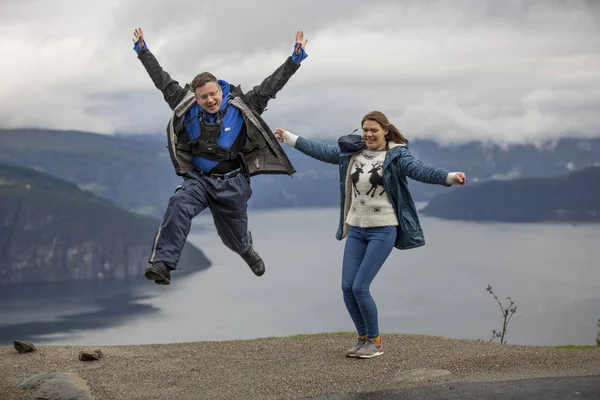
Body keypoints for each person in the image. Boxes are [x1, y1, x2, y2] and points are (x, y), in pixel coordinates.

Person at [273, 111, 466, 358]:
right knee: (347, 287)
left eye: (374, 129)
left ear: (386, 130)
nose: (368, 134)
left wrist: (449, 178)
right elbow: (323, 151)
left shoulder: (397, 156)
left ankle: (375, 342)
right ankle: (363, 338)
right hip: (357, 229)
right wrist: (289, 138)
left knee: (360, 287)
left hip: (383, 229)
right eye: (365, 129)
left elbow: (420, 170)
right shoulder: (352, 153)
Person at [131, 27, 308, 285]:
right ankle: (163, 264)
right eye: (204, 97)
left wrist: (294, 61)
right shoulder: (185, 104)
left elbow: (270, 86)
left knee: (233, 239)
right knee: (179, 203)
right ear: (196, 96)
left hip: (232, 183)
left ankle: (246, 250)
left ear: (220, 90)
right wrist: (143, 51)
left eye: (213, 94)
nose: (210, 100)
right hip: (199, 180)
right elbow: (161, 80)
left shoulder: (241, 105)